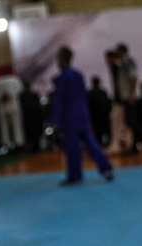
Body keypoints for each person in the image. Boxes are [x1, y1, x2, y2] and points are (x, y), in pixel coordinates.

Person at [50, 47, 114, 186]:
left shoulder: (62, 78)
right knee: (92, 144)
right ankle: (106, 168)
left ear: (62, 59)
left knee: (73, 148)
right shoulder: (78, 74)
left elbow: (59, 100)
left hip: (69, 118)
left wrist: (55, 121)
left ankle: (75, 176)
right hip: (83, 115)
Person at [0, 73, 25, 152]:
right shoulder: (14, 80)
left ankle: (7, 144)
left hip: (3, 106)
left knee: (4, 127)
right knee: (16, 126)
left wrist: (1, 96)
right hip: (12, 106)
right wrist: (10, 95)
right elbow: (20, 89)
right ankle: (18, 144)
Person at [88, 76, 113, 147]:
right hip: (102, 118)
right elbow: (108, 104)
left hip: (94, 118)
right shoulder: (103, 93)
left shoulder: (90, 94)